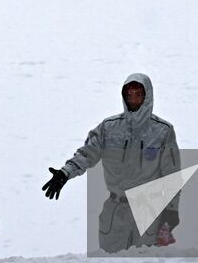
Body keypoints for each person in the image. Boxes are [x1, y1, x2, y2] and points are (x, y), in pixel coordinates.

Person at [40, 73, 182, 252]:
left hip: (149, 213)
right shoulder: (109, 128)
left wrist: (171, 211)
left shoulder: (162, 131)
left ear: (147, 96)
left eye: (138, 93)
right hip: (115, 214)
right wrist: (65, 173)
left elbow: (172, 177)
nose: (133, 98)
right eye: (129, 94)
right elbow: (86, 154)